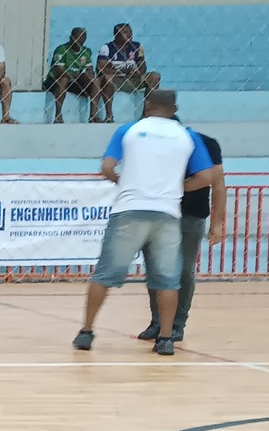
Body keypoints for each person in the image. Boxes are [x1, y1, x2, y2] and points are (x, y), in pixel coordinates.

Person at [74, 90, 223, 355]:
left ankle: (86, 332)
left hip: (129, 210)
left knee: (104, 275)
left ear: (147, 106)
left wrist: (124, 182)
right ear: (174, 108)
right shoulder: (188, 136)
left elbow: (107, 167)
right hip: (167, 214)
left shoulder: (129, 130)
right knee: (168, 279)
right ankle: (166, 338)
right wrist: (176, 187)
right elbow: (207, 177)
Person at [139, 129, 226, 343]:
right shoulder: (151, 143)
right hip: (158, 214)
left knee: (185, 270)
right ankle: (158, 321)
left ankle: (177, 323)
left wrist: (217, 224)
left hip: (191, 216)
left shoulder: (206, 143)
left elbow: (218, 185)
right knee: (156, 269)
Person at [94, 23, 160, 123]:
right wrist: (123, 71)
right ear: (116, 35)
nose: (129, 35)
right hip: (116, 81)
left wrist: (138, 72)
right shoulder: (107, 48)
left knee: (154, 77)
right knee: (108, 78)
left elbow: (143, 66)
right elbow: (100, 68)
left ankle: (146, 115)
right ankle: (109, 115)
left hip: (134, 80)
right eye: (125, 32)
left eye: (130, 32)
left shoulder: (137, 46)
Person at [46, 27, 96, 123]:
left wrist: (88, 75)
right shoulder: (61, 49)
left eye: (83, 37)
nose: (80, 40)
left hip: (75, 81)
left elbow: (89, 69)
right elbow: (59, 71)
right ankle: (58, 115)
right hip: (54, 80)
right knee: (64, 79)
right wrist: (78, 75)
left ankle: (93, 116)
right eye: (77, 37)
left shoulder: (86, 51)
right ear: (71, 38)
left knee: (95, 81)